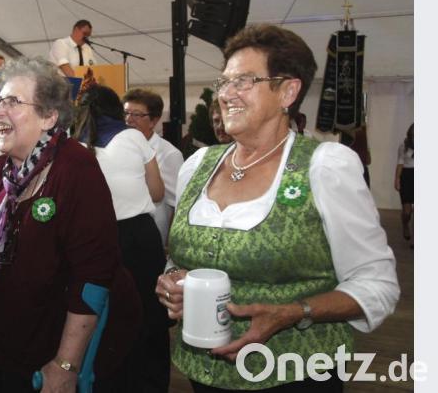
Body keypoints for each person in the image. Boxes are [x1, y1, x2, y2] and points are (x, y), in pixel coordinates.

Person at [155, 24, 399, 391]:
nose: (226, 95)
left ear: (288, 91)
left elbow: (377, 285)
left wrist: (294, 312)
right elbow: (183, 257)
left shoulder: (325, 167)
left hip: (292, 373)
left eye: (244, 81)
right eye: (224, 82)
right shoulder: (198, 164)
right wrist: (171, 279)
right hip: (201, 373)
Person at [0, 57, 141, 393]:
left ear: (49, 116)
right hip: (3, 343)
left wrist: (66, 364)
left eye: (13, 101)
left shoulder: (75, 169)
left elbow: (94, 275)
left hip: (60, 349)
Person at [72, 85, 170, 392]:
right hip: (139, 238)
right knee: (148, 317)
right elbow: (157, 193)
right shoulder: (133, 137)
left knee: (102, 317)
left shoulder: (71, 144)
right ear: (117, 110)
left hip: (94, 240)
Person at [122, 88, 185, 249]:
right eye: (126, 113)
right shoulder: (120, 147)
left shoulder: (169, 154)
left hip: (153, 239)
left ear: (153, 121)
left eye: (136, 114)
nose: (128, 119)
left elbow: (178, 205)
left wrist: (170, 246)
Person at [394, 123, 414, 246]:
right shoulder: (404, 146)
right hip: (407, 176)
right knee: (407, 211)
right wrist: (397, 179)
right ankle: (405, 223)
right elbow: (400, 163)